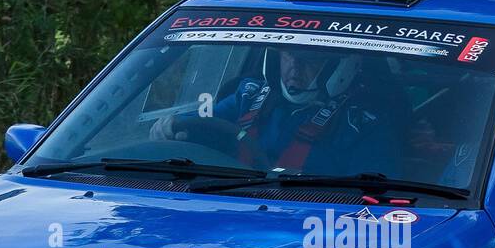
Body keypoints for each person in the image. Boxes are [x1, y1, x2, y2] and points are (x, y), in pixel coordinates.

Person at [149, 48, 387, 171]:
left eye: (311, 60)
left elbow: (372, 206)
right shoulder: (249, 96)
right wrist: (169, 127)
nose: (295, 68)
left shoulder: (360, 125)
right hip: (229, 204)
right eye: (289, 56)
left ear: (341, 68)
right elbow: (204, 122)